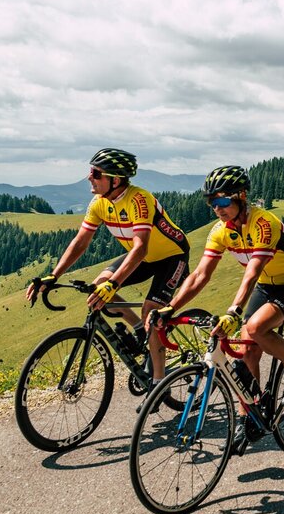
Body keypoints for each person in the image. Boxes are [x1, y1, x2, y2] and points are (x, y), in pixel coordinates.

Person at [150, 164, 284, 452]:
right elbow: (201, 274)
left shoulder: (264, 223)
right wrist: (170, 307)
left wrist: (234, 311)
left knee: (252, 327)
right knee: (248, 349)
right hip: (267, 285)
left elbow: (251, 271)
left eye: (224, 201)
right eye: (212, 202)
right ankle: (247, 416)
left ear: (241, 197)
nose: (218, 208)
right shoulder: (220, 231)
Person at [25, 148, 190, 393]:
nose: (89, 177)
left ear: (115, 179)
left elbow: (141, 247)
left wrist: (114, 283)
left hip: (171, 257)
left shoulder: (139, 200)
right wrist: (53, 275)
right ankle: (138, 331)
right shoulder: (99, 203)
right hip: (142, 257)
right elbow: (80, 242)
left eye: (95, 173)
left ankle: (158, 385)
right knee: (98, 285)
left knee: (151, 313)